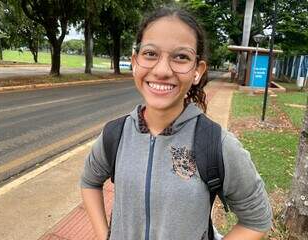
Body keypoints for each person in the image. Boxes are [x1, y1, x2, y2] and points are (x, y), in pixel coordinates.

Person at [80, 7, 272, 240]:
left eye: (181, 57)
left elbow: (256, 219)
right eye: (150, 54)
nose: (162, 70)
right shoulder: (115, 134)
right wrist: (105, 236)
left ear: (197, 72)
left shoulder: (217, 144)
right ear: (135, 62)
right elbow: (90, 180)